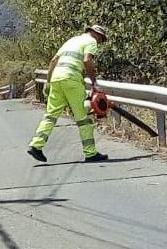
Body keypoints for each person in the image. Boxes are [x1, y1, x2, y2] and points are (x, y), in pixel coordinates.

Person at [27, 25, 109, 163]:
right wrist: (94, 82)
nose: (100, 43)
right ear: (97, 35)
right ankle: (90, 153)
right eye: (101, 39)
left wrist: (48, 82)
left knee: (50, 115)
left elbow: (53, 61)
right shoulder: (91, 42)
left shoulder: (71, 41)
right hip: (71, 80)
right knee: (83, 117)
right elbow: (87, 60)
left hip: (56, 79)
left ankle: (36, 145)